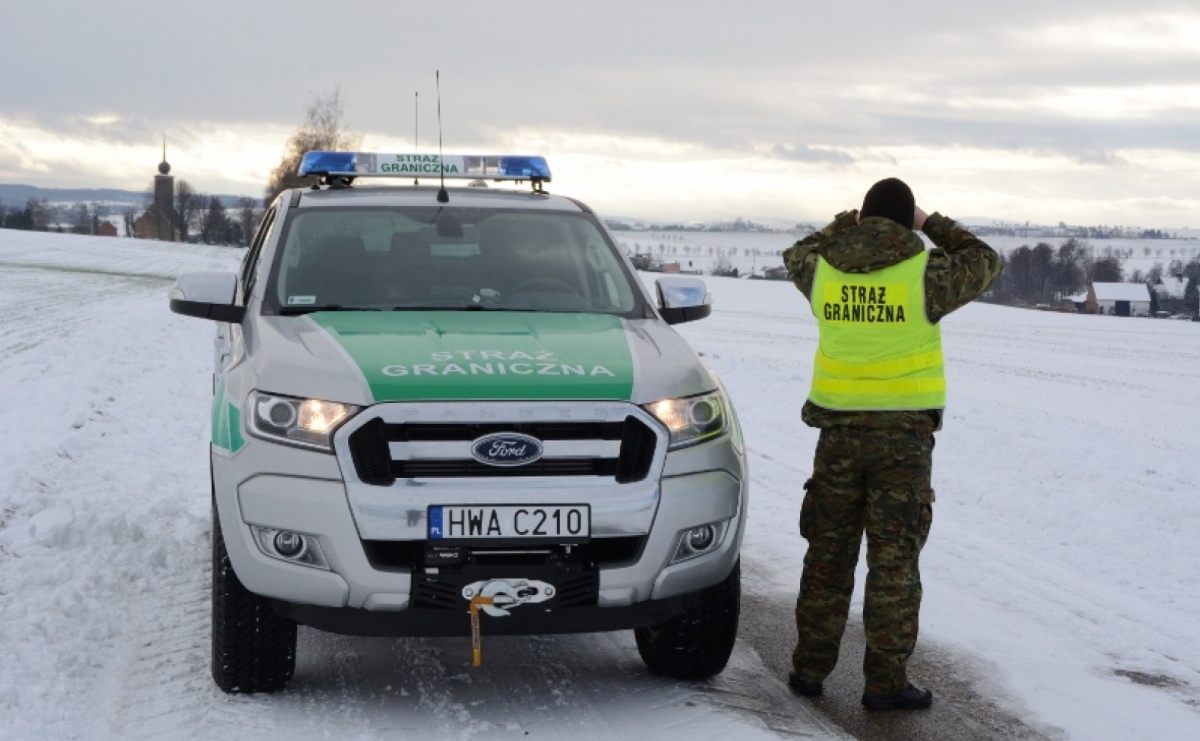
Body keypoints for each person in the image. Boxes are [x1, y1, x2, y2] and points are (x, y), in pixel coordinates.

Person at [782, 178, 1002, 711]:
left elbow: (795, 252)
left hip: (838, 439)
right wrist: (931, 223)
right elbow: (985, 258)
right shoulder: (926, 274)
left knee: (827, 557)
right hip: (902, 446)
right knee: (894, 564)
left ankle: (809, 670)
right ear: (908, 221)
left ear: (863, 217)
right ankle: (884, 684)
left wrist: (844, 223)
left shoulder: (823, 271)